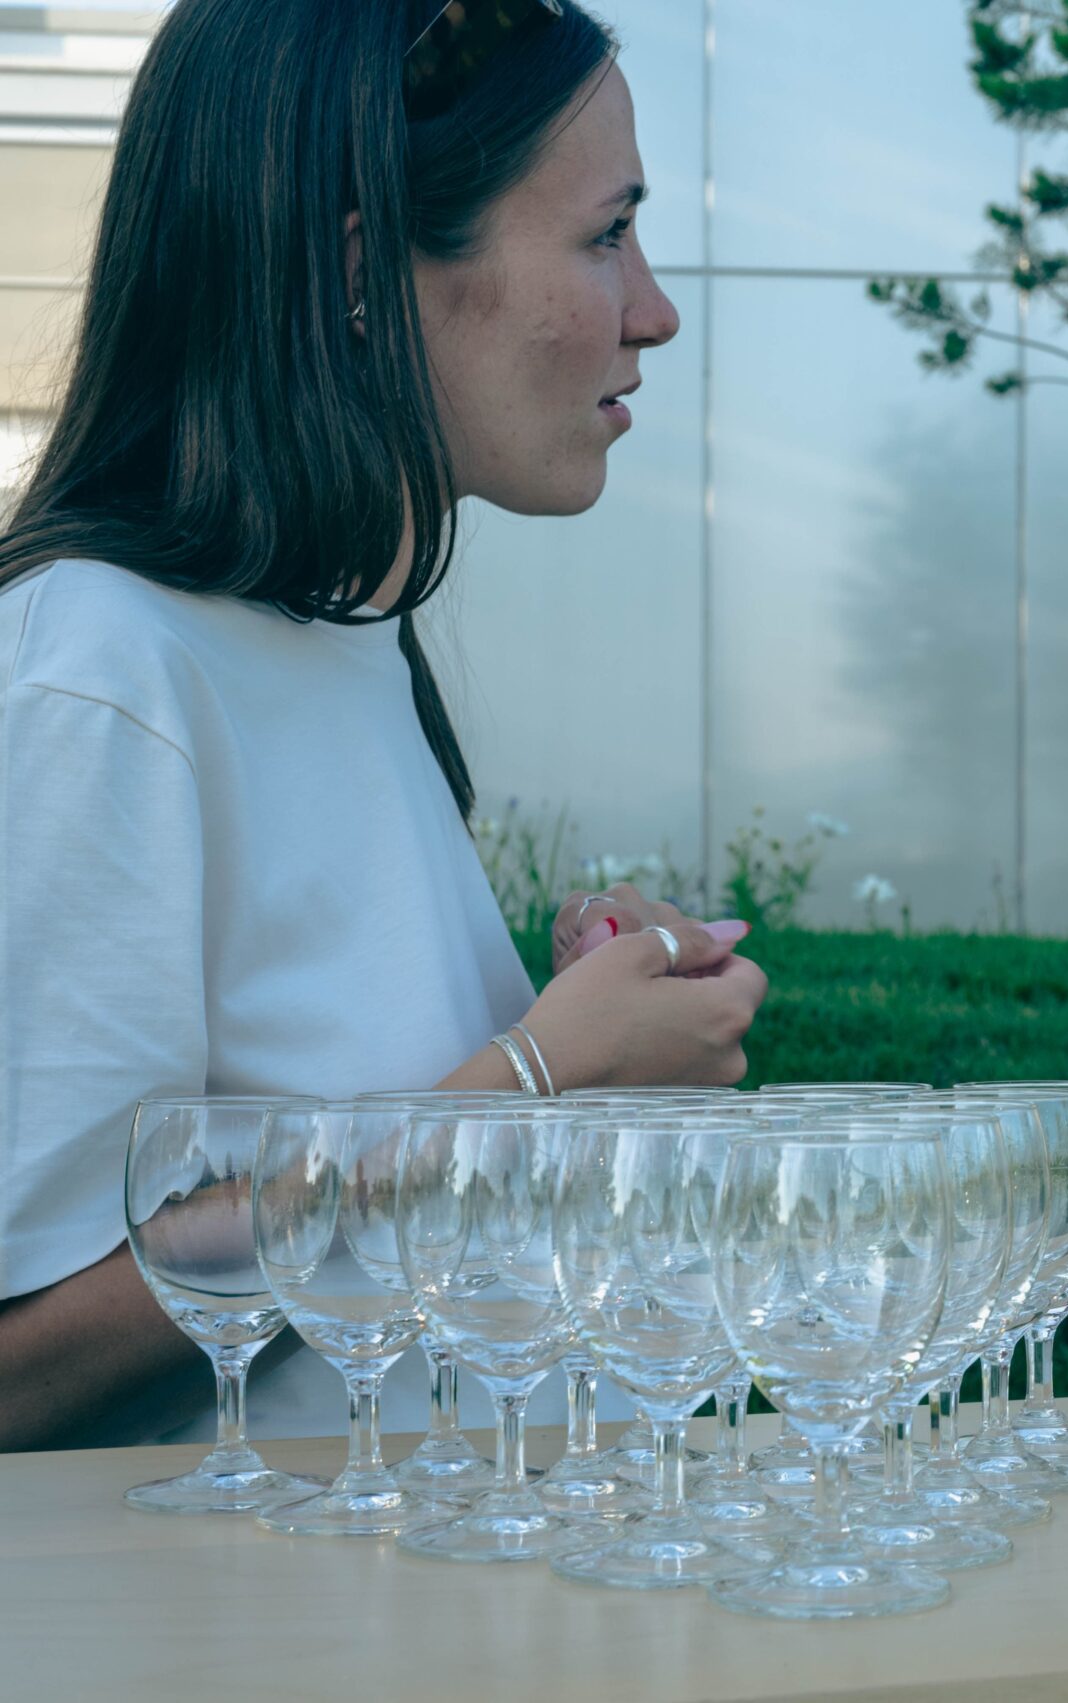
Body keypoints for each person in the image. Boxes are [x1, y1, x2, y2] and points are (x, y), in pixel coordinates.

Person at [0, 0, 764, 1451]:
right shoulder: (98, 670)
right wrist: (527, 1079)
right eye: (607, 234)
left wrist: (579, 1044)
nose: (654, 309)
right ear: (363, 276)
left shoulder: (345, 639)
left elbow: (386, 1216)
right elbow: (20, 1370)